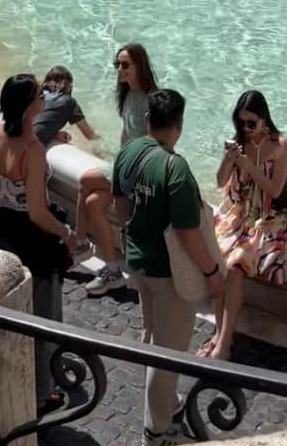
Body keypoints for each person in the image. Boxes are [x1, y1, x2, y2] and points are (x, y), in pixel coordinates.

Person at [112, 89, 222, 446]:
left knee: (152, 336)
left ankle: (167, 407)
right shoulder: (175, 168)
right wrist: (211, 272)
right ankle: (157, 433)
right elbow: (188, 233)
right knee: (168, 352)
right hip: (168, 274)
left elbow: (120, 205)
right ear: (179, 126)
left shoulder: (128, 151)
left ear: (147, 120)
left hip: (138, 262)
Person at [0, 74, 76, 417]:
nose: (44, 97)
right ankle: (41, 394)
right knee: (44, 316)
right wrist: (65, 231)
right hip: (35, 242)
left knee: (13, 316)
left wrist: (6, 198)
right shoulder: (32, 150)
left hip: (4, 231)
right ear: (28, 105)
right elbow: (37, 211)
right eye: (39, 94)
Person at [202, 90, 287, 360]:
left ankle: (224, 342)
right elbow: (219, 182)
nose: (246, 129)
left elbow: (274, 189)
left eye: (252, 123)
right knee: (214, 256)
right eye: (241, 123)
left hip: (269, 219)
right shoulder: (239, 143)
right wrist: (228, 161)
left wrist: (250, 166)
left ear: (264, 119)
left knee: (235, 266)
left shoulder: (280, 145)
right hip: (240, 214)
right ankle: (217, 332)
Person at [80, 43, 158, 296]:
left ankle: (79, 243)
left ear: (139, 66)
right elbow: (126, 133)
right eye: (117, 65)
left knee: (85, 179)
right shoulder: (128, 94)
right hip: (124, 165)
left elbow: (152, 143)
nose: (120, 70)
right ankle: (112, 269)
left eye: (125, 65)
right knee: (92, 202)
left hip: (137, 172)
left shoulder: (150, 100)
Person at [34, 66, 97, 148]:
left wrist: (54, 134)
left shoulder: (37, 94)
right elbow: (89, 135)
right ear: (69, 85)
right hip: (33, 146)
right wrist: (102, 141)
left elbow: (38, 123)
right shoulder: (69, 102)